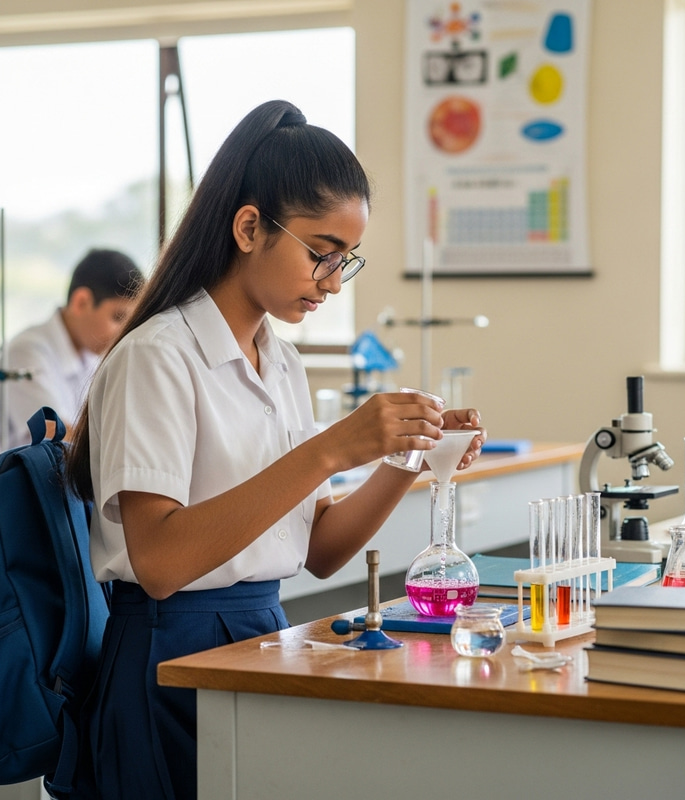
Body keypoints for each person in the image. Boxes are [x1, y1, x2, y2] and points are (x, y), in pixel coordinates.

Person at [66, 100, 486, 800]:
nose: (332, 281)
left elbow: (319, 549)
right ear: (249, 228)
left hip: (262, 630)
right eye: (321, 253)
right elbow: (161, 564)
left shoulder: (281, 361)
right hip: (170, 650)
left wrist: (406, 454)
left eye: (345, 261)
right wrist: (331, 449)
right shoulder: (157, 356)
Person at [0, 248, 143, 453]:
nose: (124, 332)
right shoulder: (25, 352)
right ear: (81, 302)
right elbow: (55, 436)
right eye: (118, 318)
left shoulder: (91, 357)